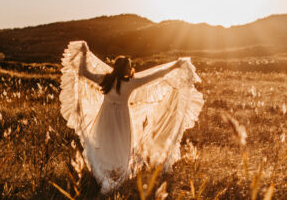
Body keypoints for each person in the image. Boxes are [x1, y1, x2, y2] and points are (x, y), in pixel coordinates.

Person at [59, 40, 204, 192]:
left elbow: (83, 73)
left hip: (106, 115)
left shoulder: (106, 79)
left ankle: (107, 173)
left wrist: (83, 54)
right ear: (123, 69)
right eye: (129, 66)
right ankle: (116, 172)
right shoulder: (131, 82)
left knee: (107, 142)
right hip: (121, 117)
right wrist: (175, 66)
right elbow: (158, 75)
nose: (131, 68)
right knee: (120, 144)